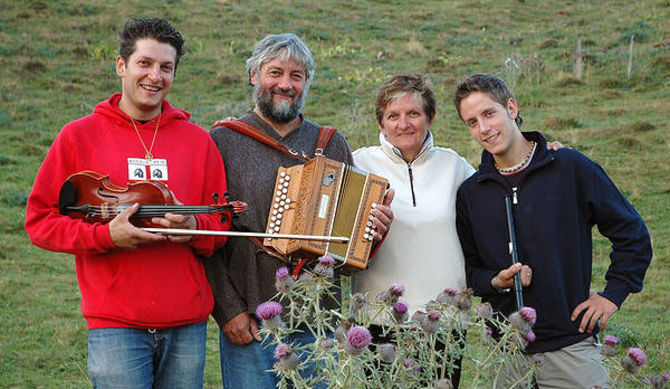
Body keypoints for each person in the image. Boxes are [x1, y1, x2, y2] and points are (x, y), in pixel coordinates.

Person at [24, 18, 230, 388]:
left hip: (186, 325)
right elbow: (40, 222)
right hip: (115, 324)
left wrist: (194, 229)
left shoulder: (200, 142)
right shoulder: (77, 136)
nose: (155, 76)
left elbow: (220, 230)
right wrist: (106, 238)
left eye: (166, 67)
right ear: (121, 66)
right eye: (145, 63)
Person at [204, 33, 394, 388]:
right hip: (250, 323)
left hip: (318, 327)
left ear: (306, 82)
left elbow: (348, 247)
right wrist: (228, 310)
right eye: (275, 72)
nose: (285, 84)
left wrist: (373, 230)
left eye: (296, 75)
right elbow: (207, 237)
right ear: (253, 75)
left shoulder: (330, 143)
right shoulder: (222, 141)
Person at [453, 73, 652, 387]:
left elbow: (633, 235)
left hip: (570, 347)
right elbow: (471, 271)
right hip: (505, 353)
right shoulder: (471, 193)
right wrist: (496, 280)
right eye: (472, 122)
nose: (484, 128)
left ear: (512, 108)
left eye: (489, 114)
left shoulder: (570, 167)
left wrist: (611, 295)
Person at [351, 74, 474, 386]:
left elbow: (499, 189)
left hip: (443, 321)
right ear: (381, 123)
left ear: (430, 118)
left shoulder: (454, 166)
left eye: (413, 114)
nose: (403, 124)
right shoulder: (358, 164)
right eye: (393, 116)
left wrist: (538, 151)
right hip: (379, 320)